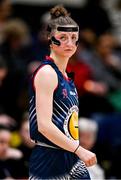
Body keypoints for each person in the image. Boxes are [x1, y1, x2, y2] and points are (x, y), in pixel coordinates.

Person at [29, 5, 97, 179]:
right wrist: (79, 149)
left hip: (70, 155)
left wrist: (75, 150)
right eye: (63, 37)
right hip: (49, 157)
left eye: (74, 37)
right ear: (50, 39)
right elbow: (44, 126)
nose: (69, 42)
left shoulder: (67, 77)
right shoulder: (47, 73)